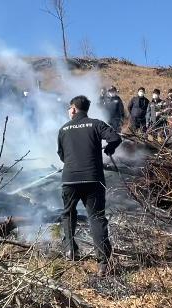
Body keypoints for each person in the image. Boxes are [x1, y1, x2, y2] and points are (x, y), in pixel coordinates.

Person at [57, 95, 122, 276]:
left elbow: (61, 155)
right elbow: (115, 138)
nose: (69, 111)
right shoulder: (95, 124)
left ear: (74, 109)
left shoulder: (63, 129)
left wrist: (72, 161)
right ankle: (102, 264)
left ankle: (71, 251)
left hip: (70, 179)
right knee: (96, 217)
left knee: (68, 214)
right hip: (93, 178)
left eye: (70, 108)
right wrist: (109, 149)